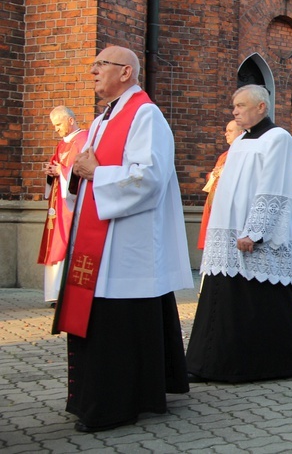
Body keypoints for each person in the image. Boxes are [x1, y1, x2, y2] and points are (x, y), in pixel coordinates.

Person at [54, 46, 192, 432]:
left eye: (102, 64)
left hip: (127, 245)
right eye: (94, 64)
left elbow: (149, 177)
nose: (93, 71)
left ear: (126, 72)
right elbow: (87, 170)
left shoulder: (145, 115)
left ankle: (115, 405)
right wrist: (77, 174)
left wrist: (97, 172)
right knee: (98, 323)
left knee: (117, 327)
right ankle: (91, 398)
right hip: (98, 243)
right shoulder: (101, 120)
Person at [186, 84, 292, 382]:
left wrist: (255, 231)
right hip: (228, 235)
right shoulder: (239, 142)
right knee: (221, 300)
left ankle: (264, 365)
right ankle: (209, 364)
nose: (234, 110)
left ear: (261, 107)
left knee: (257, 303)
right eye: (234, 106)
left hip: (253, 239)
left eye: (240, 105)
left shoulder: (279, 138)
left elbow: (274, 188)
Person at [37, 106, 88, 306]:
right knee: (54, 244)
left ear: (70, 121)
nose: (56, 129)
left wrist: (62, 170)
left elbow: (81, 170)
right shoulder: (62, 144)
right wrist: (52, 172)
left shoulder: (83, 140)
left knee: (66, 245)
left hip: (71, 205)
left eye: (58, 125)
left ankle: (66, 293)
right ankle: (54, 293)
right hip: (57, 205)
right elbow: (58, 168)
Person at [197, 120, 244, 249]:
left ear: (241, 133)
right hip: (215, 201)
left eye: (230, 131)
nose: (225, 134)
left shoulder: (243, 154)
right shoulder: (224, 155)